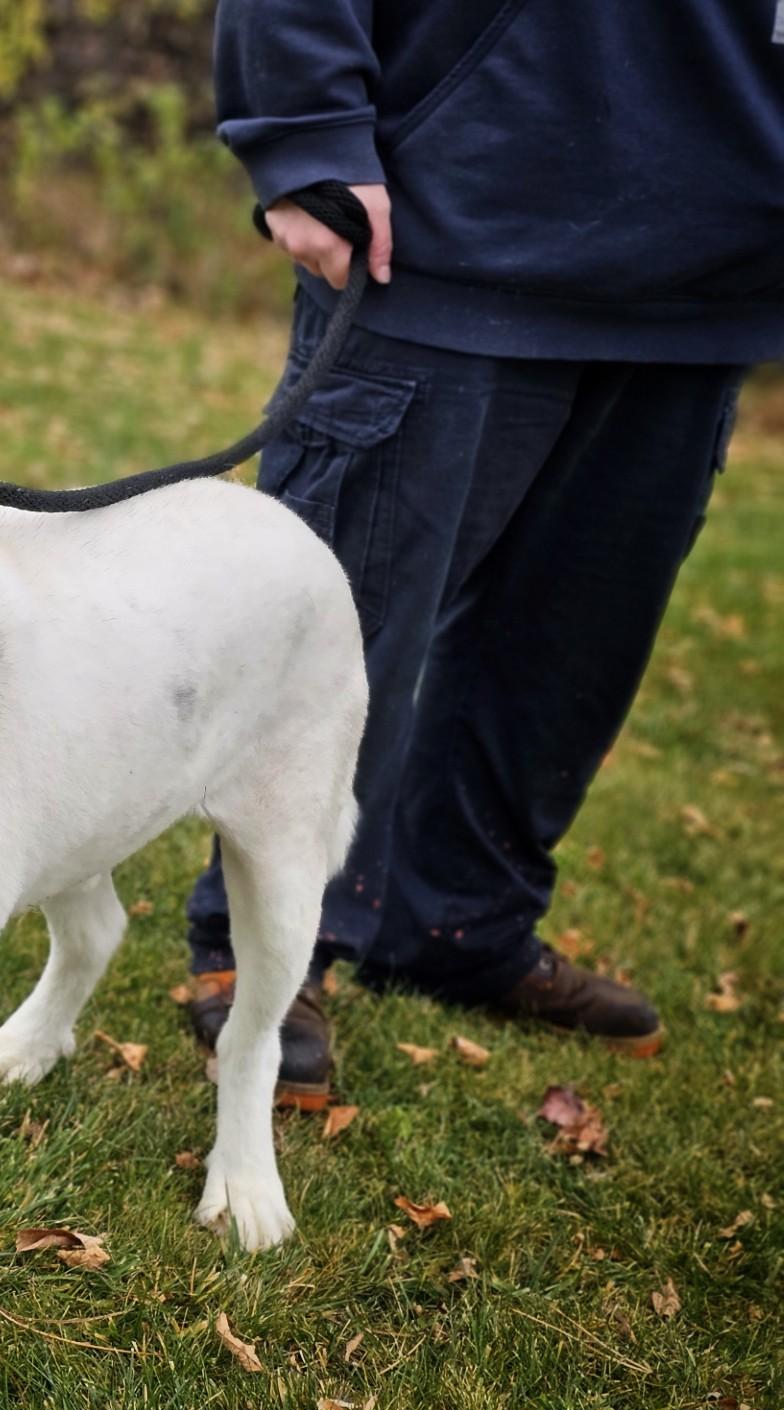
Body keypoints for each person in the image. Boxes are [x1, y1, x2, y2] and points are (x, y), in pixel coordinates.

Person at [186, 0, 784, 1106]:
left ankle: (460, 924)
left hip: (716, 273)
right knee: (340, 631)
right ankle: (265, 950)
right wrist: (307, 131)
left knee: (567, 656)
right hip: (451, 220)